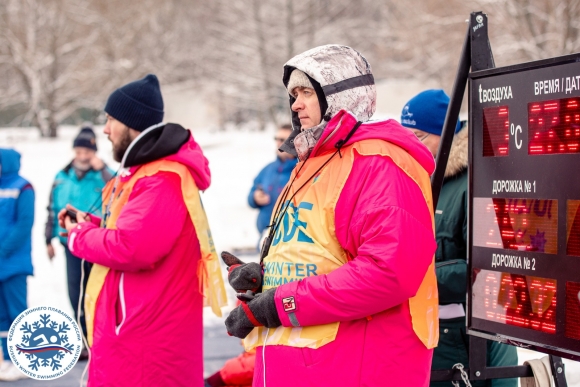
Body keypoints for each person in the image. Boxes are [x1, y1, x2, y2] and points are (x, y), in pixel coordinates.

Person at [222, 45, 439, 386]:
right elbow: (316, 254)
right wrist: (265, 278)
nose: (295, 104)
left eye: (307, 92)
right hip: (300, 365)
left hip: (351, 366)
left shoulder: (380, 163)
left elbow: (388, 272)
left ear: (340, 94)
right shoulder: (312, 162)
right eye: (293, 94)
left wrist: (280, 304)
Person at [59, 74, 226, 386]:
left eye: (110, 120)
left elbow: (132, 246)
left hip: (146, 340)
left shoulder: (159, 179)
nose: (105, 130)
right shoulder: (145, 173)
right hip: (137, 330)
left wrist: (78, 236)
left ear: (132, 123)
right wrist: (91, 224)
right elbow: (132, 229)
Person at [401, 89, 518, 387]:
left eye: (419, 135)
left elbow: (487, 268)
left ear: (448, 135)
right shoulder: (411, 178)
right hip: (415, 329)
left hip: (460, 337)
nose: (409, 144)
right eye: (405, 135)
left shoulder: (476, 182)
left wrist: (404, 277)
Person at [45, 125, 114, 351]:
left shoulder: (105, 175)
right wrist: (48, 239)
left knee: (97, 291)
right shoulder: (61, 176)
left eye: (87, 153)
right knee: (74, 291)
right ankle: (82, 338)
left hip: (98, 244)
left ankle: (99, 337)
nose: (82, 157)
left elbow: (120, 190)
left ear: (94, 152)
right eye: (79, 152)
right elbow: (52, 209)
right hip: (69, 243)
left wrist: (102, 168)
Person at [0, 148, 34, 381]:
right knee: (1, 314)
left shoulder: (24, 187)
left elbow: (24, 224)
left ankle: (22, 360)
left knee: (16, 311)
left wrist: (3, 250)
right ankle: (6, 359)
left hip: (14, 261)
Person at [248, 124, 297, 237]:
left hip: (288, 241)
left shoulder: (301, 171)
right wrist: (255, 197)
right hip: (263, 239)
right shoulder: (268, 169)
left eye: (283, 139)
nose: (278, 143)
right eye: (276, 139)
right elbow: (250, 196)